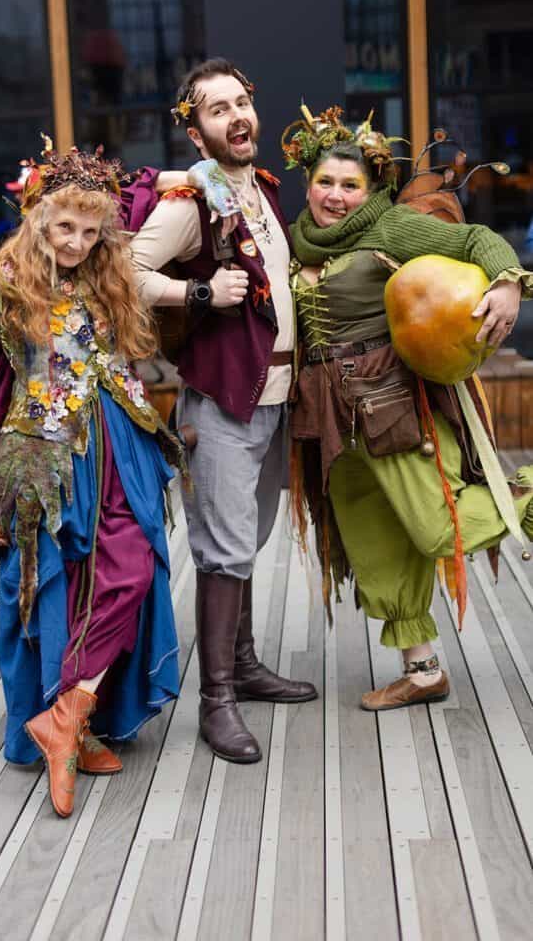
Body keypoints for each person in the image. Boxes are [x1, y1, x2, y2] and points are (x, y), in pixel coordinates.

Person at [0, 140, 187, 817]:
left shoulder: (109, 279)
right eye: (63, 226)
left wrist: (172, 175)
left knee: (132, 571)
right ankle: (72, 726)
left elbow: (136, 195)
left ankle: (67, 716)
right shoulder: (4, 287)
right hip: (46, 461)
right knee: (62, 587)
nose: (75, 241)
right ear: (37, 221)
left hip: (120, 446)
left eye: (89, 230)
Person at [283, 104, 533, 710]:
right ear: (307, 182)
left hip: (389, 402)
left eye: (350, 186)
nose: (336, 197)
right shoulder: (295, 238)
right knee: (375, 542)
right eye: (325, 183)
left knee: (433, 526)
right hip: (328, 418)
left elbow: (475, 238)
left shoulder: (388, 228)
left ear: (370, 190)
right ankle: (422, 671)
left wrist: (505, 281)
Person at [130, 59, 317, 766]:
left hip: (271, 401)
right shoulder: (189, 201)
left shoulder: (261, 189)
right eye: (217, 108)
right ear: (196, 128)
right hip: (225, 406)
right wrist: (201, 294)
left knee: (246, 545)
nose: (236, 116)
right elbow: (122, 272)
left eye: (241, 101)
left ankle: (242, 665)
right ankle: (217, 703)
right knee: (223, 552)